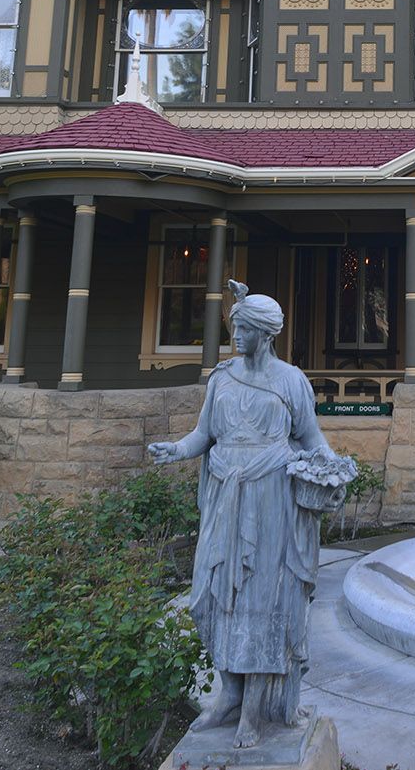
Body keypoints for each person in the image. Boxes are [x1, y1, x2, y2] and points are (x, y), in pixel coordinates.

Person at [148, 280, 333, 750]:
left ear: (265, 334)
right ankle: (227, 696)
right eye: (235, 326)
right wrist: (176, 449)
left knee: (262, 601)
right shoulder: (222, 379)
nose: (236, 335)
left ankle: (255, 710)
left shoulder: (291, 380)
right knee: (213, 597)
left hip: (271, 497)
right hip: (224, 498)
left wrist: (332, 471)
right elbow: (202, 435)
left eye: (244, 328)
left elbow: (313, 441)